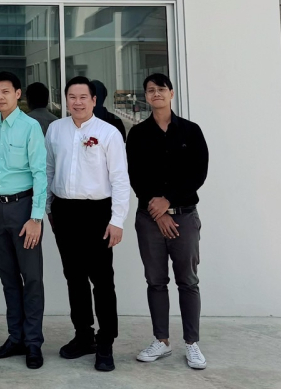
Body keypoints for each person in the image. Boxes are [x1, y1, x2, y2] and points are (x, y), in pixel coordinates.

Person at [46, 77, 130, 373]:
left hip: (97, 213)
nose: (77, 102)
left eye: (83, 97)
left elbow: (120, 179)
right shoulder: (55, 129)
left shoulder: (108, 133)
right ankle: (83, 335)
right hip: (64, 211)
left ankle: (105, 341)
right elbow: (49, 169)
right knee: (74, 277)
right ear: (65, 100)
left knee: (102, 280)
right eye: (72, 96)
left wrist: (117, 220)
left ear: (94, 100)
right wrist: (49, 208)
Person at [127, 73, 209, 371]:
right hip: (149, 219)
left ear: (171, 93)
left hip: (184, 216)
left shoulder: (190, 131)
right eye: (150, 90)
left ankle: (192, 343)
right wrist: (159, 211)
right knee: (156, 280)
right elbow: (135, 175)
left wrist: (169, 201)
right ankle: (161, 340)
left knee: (187, 280)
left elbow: (198, 173)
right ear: (146, 96)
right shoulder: (138, 134)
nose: (156, 94)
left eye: (161, 89)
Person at [0, 72, 47, 370]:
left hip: (24, 210)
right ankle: (16, 337)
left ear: (18, 94)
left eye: (6, 91)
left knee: (31, 279)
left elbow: (40, 173)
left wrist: (36, 217)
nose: (0, 97)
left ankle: (33, 342)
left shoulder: (30, 127)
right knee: (8, 278)